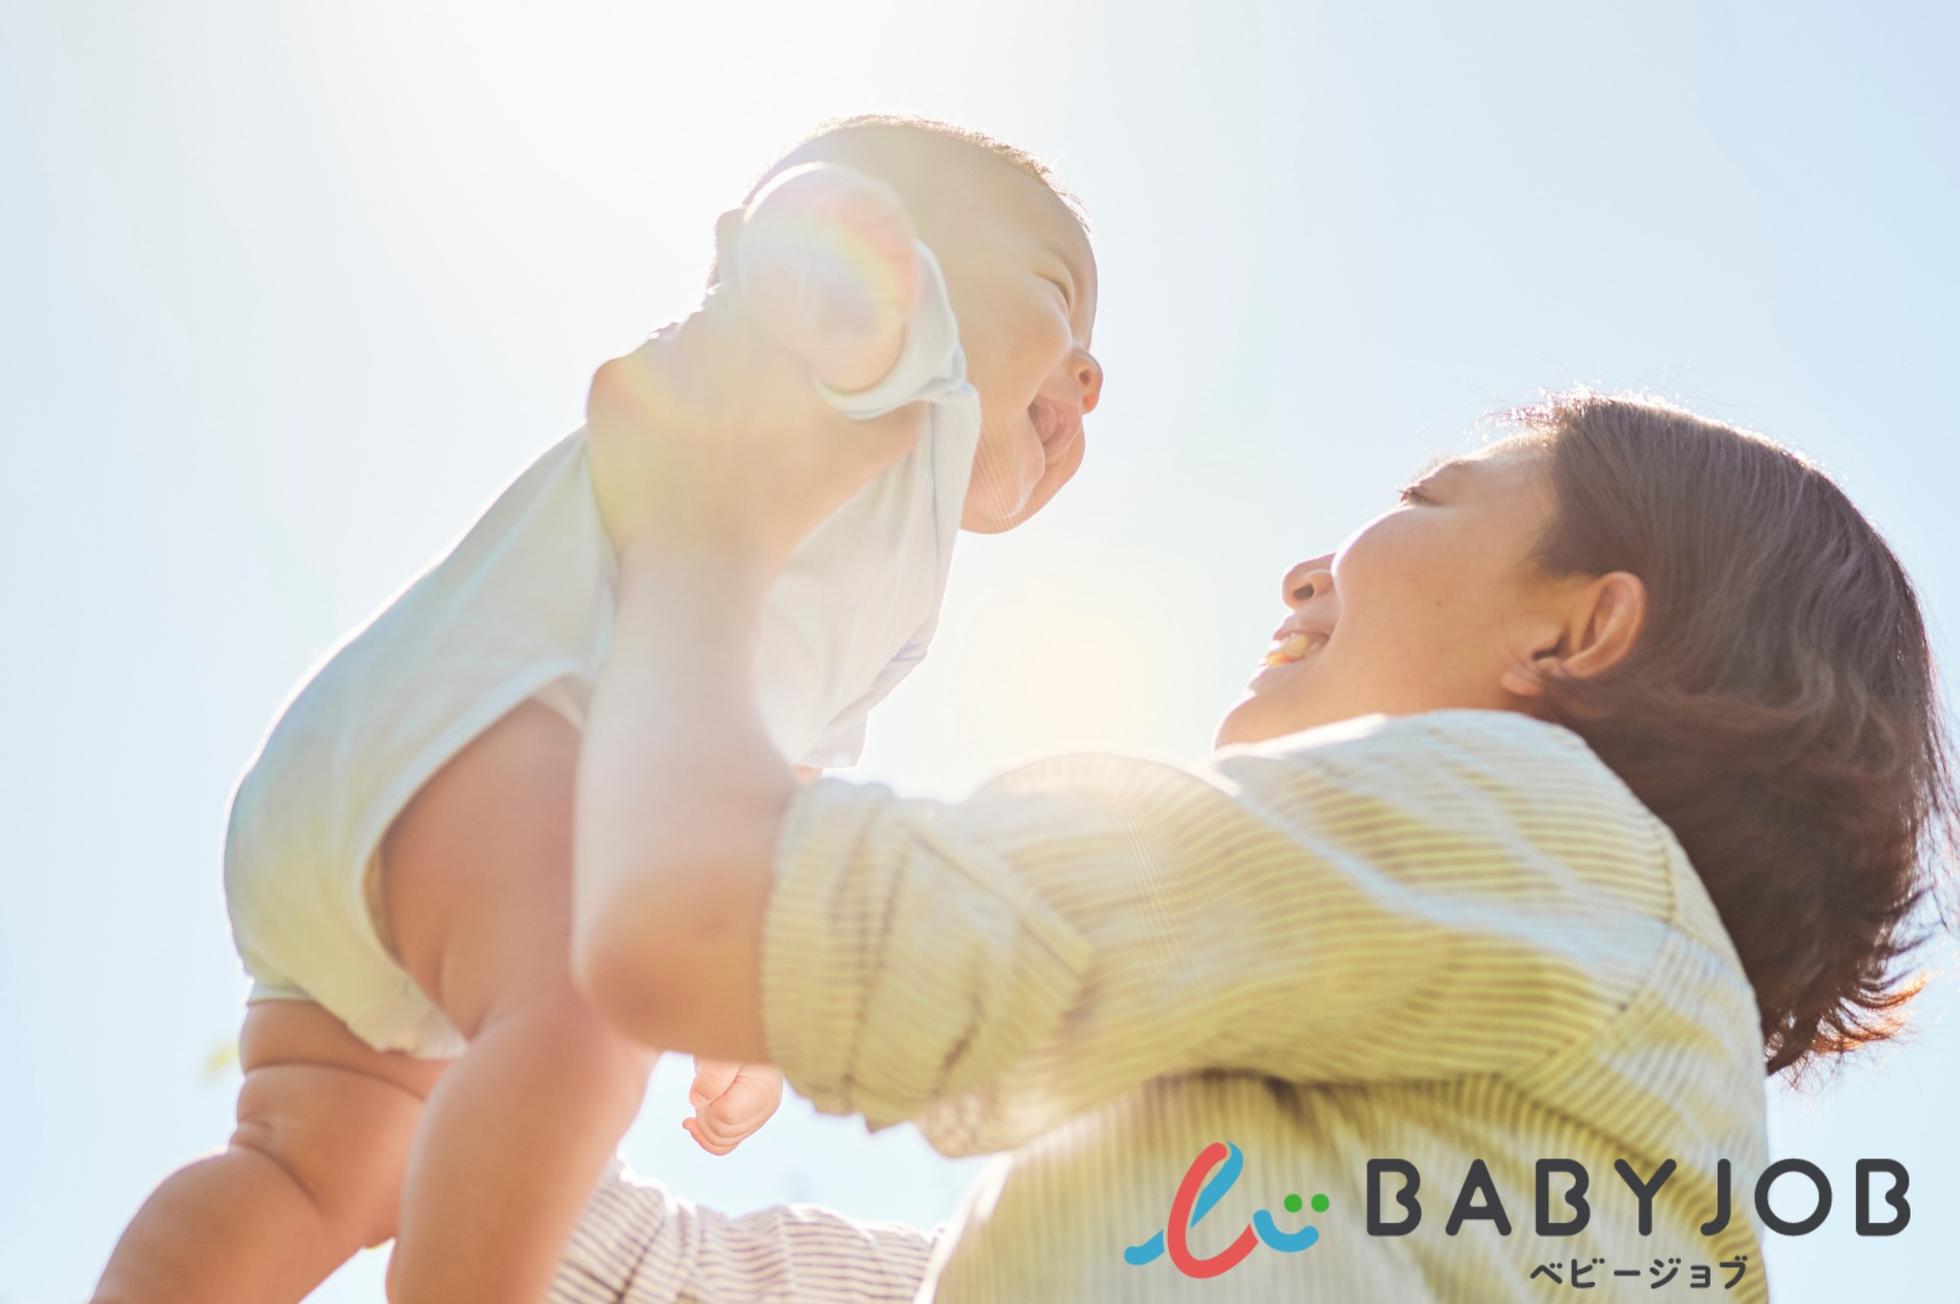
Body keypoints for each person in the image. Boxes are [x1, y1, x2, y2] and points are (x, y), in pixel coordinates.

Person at [547, 335, 1956, 1300]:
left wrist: (708, 541)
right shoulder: (1296, 1186)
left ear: (1576, 634)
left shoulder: (1545, 828)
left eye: (1425, 499)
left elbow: (714, 921)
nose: (1302, 571)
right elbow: (668, 1275)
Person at [92, 115, 1103, 1304]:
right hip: (493, 732)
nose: (1087, 373)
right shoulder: (886, 356)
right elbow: (811, 236)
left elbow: (755, 776)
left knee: (315, 1164)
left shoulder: (901, 595)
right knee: (587, 1012)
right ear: (915, 252)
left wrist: (745, 992)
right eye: (1057, 300)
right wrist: (833, 235)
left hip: (393, 775)